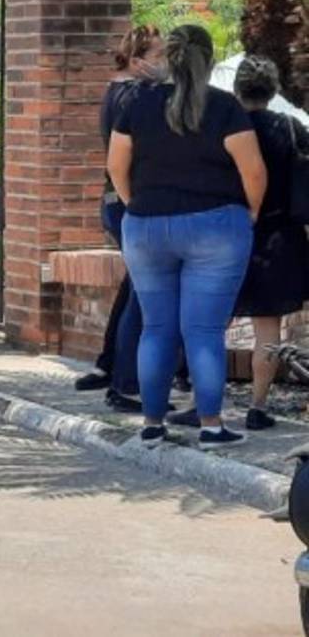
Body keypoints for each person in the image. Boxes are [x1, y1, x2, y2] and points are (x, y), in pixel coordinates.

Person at [107, 24, 267, 450]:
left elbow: (116, 166)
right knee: (204, 330)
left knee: (156, 327)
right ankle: (211, 425)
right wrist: (250, 212)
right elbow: (253, 170)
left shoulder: (138, 105)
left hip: (147, 226)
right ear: (209, 60)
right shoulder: (224, 106)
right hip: (216, 226)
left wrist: (137, 204)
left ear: (167, 57)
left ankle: (152, 424)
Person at [76, 27, 169, 414]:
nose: (164, 63)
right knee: (143, 293)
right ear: (137, 60)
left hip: (118, 201)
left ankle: (109, 364)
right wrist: (137, 205)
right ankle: (125, 384)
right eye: (159, 55)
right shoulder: (134, 96)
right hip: (129, 201)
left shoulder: (117, 91)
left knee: (133, 286)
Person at [227, 57, 309, 430]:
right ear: (274, 89)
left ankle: (200, 402)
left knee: (210, 323)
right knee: (268, 330)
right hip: (280, 238)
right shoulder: (290, 129)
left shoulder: (227, 128)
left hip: (230, 234)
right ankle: (258, 407)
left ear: (237, 88)